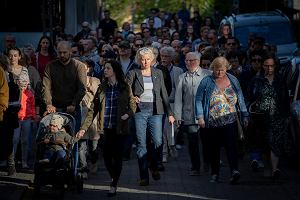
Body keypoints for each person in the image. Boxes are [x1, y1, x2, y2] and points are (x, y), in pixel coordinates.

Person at [77, 60, 136, 197]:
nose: (105, 70)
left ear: (114, 70)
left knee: (117, 156)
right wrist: (83, 128)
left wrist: (127, 114)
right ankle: (113, 177)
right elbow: (93, 109)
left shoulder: (124, 86)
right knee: (107, 156)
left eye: (108, 68)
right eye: (104, 68)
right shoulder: (102, 87)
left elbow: (132, 104)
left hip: (120, 128)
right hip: (106, 128)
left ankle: (113, 184)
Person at [126, 47, 175, 186]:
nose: (145, 61)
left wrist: (170, 113)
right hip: (140, 111)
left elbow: (164, 94)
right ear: (138, 60)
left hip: (156, 111)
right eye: (143, 59)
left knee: (158, 141)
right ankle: (144, 176)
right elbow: (125, 90)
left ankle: (153, 166)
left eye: (148, 59)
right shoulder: (133, 73)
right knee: (141, 144)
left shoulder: (158, 72)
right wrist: (132, 98)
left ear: (152, 60)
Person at [195, 56, 248, 184]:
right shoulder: (206, 81)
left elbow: (240, 97)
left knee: (232, 146)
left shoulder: (233, 79)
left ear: (226, 69)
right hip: (212, 122)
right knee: (214, 149)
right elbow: (198, 99)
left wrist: (245, 115)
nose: (219, 73)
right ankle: (215, 174)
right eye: (217, 70)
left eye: (222, 70)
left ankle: (234, 170)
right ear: (212, 68)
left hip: (230, 120)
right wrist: (200, 117)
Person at [247, 54, 290, 179]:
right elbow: (249, 96)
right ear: (263, 66)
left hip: (277, 116)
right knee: (263, 141)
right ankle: (265, 166)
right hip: (260, 117)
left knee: (275, 142)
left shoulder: (280, 80)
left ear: (275, 66)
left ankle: (275, 169)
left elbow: (285, 98)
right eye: (266, 65)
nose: (269, 68)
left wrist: (286, 115)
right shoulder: (256, 80)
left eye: (272, 66)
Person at [174, 52, 211, 175]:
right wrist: (178, 116)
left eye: (192, 60)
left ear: (198, 61)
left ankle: (208, 163)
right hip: (189, 115)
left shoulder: (208, 74)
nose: (189, 63)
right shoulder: (182, 77)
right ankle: (195, 167)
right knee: (192, 142)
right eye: (187, 61)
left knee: (207, 141)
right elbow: (178, 98)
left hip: (206, 116)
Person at [42, 41, 87, 128]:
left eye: (65, 52)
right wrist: (48, 104)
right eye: (60, 52)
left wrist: (74, 103)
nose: (62, 55)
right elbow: (46, 87)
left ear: (70, 51)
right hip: (55, 107)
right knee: (54, 137)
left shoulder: (79, 66)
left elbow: (82, 88)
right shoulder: (50, 66)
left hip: (73, 107)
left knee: (72, 137)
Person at [12, 72, 36, 169]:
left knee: (25, 141)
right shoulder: (15, 92)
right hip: (17, 118)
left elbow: (33, 106)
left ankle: (24, 161)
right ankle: (11, 161)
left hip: (27, 119)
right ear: (18, 82)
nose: (23, 86)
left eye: (25, 84)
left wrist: (33, 117)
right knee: (15, 140)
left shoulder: (30, 93)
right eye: (21, 84)